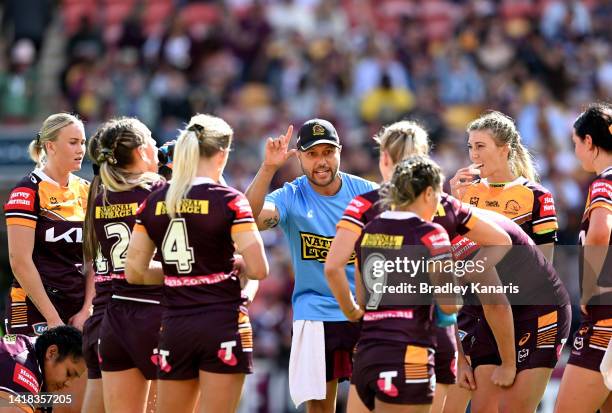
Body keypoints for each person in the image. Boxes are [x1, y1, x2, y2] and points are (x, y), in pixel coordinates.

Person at [324, 120, 512, 413]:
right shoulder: (441, 203)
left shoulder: (363, 205)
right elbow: (500, 241)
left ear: (384, 157)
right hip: (433, 336)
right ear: (423, 158)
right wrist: (458, 280)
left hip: (376, 333)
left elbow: (339, 268)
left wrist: (354, 311)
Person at [125, 113, 268, 413]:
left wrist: (183, 275)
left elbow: (134, 271)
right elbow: (258, 268)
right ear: (222, 153)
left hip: (175, 325)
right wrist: (227, 267)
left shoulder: (155, 200)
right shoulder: (230, 200)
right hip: (223, 322)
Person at [245, 118, 377, 412]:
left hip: (366, 309)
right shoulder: (291, 195)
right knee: (318, 407)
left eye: (328, 152)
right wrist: (268, 168)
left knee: (372, 403)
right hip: (314, 310)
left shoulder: (368, 192)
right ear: (300, 157)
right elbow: (248, 218)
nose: (321, 162)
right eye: (312, 153)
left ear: (340, 151)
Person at [446, 110, 559, 412]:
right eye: (470, 146)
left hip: (523, 313)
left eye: (480, 146)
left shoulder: (536, 195)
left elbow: (544, 263)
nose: (473, 153)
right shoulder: (463, 195)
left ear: (504, 148)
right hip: (476, 311)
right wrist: (454, 203)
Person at [350, 155, 460, 413]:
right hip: (409, 353)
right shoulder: (432, 233)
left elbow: (364, 300)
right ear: (429, 192)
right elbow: (450, 303)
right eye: (439, 196)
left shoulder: (369, 230)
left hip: (367, 355)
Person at [3, 112, 93, 413]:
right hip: (32, 309)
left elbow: (94, 260)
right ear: (50, 146)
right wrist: (52, 318)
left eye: (82, 142)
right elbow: (20, 261)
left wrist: (85, 310)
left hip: (75, 312)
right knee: (32, 400)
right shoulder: (26, 191)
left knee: (68, 397)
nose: (80, 149)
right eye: (72, 142)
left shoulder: (87, 191)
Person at [450, 207, 570, 413]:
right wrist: (461, 361)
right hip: (492, 313)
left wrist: (508, 364)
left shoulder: (458, 233)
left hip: (538, 309)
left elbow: (496, 304)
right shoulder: (422, 234)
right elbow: (445, 303)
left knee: (512, 408)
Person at [81, 117, 163, 413]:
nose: (158, 147)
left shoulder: (98, 193)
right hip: (150, 311)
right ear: (140, 152)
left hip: (106, 314)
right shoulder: (157, 191)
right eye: (152, 141)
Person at [555, 103, 612, 413]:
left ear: (589, 142)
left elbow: (601, 232)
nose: (575, 152)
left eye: (575, 144)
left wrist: (589, 287)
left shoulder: (604, 183)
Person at [0, 325, 86, 413]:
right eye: (69, 373)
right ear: (52, 353)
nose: (68, 383)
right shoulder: (22, 364)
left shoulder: (29, 351)